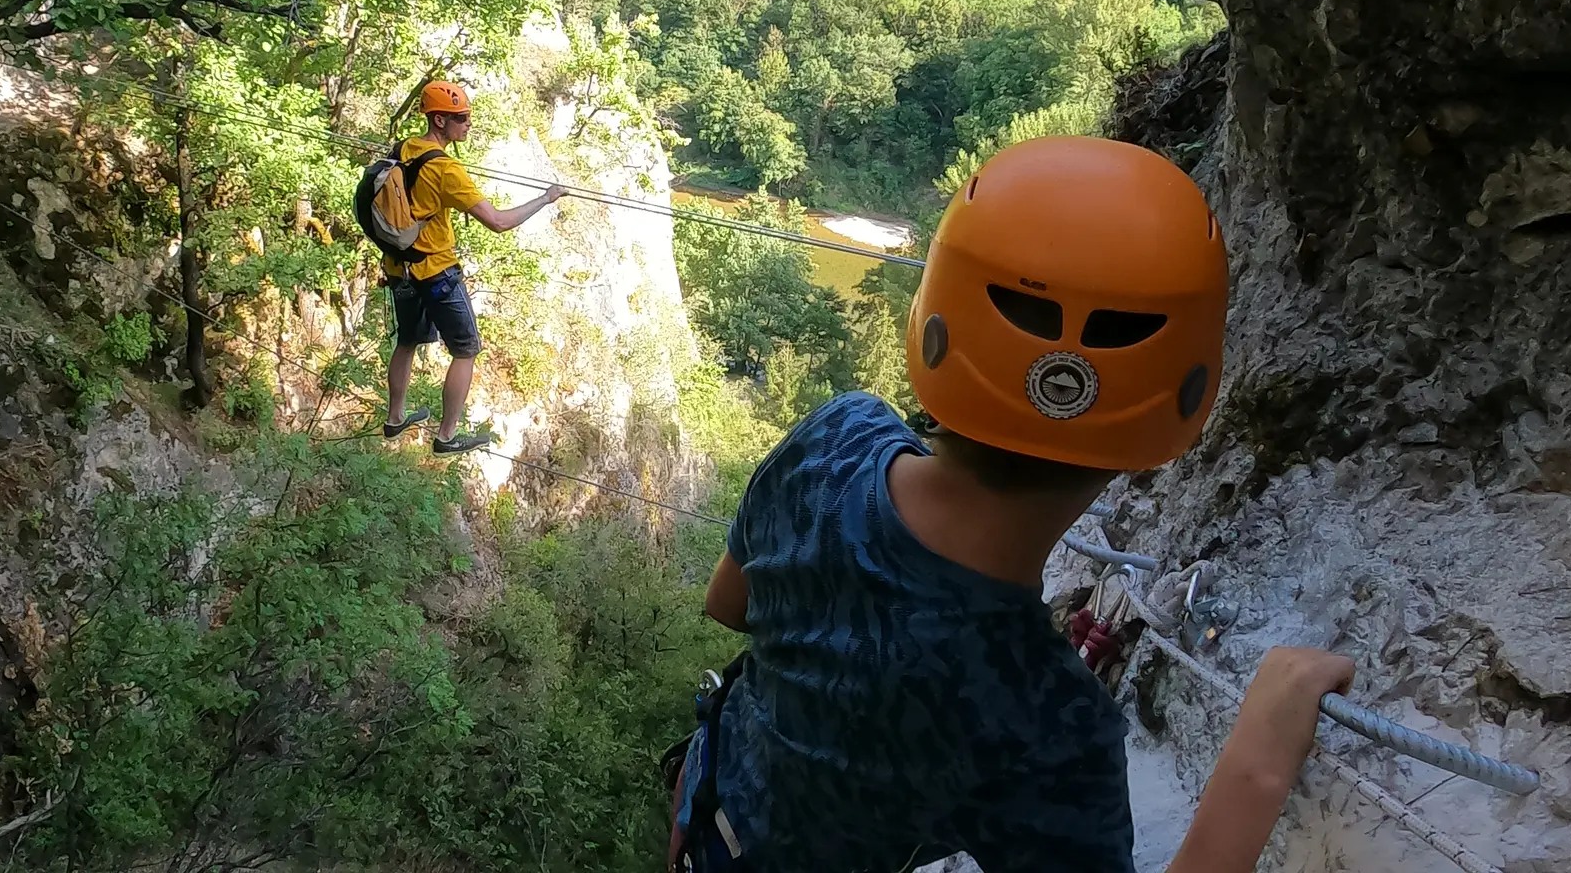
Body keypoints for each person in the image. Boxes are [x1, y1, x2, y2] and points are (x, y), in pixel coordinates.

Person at [667, 135, 1356, 872]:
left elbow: (729, 603)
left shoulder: (833, 440)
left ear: (936, 327)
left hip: (703, 820)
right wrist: (1261, 761)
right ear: (1181, 399)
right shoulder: (1052, 722)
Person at [382, 79, 565, 455]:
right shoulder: (446, 170)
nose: (468, 123)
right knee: (466, 349)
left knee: (407, 340)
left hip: (400, 267)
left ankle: (395, 417)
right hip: (436, 272)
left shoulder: (404, 149)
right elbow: (497, 221)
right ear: (439, 120)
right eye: (461, 118)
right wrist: (546, 199)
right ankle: (446, 436)